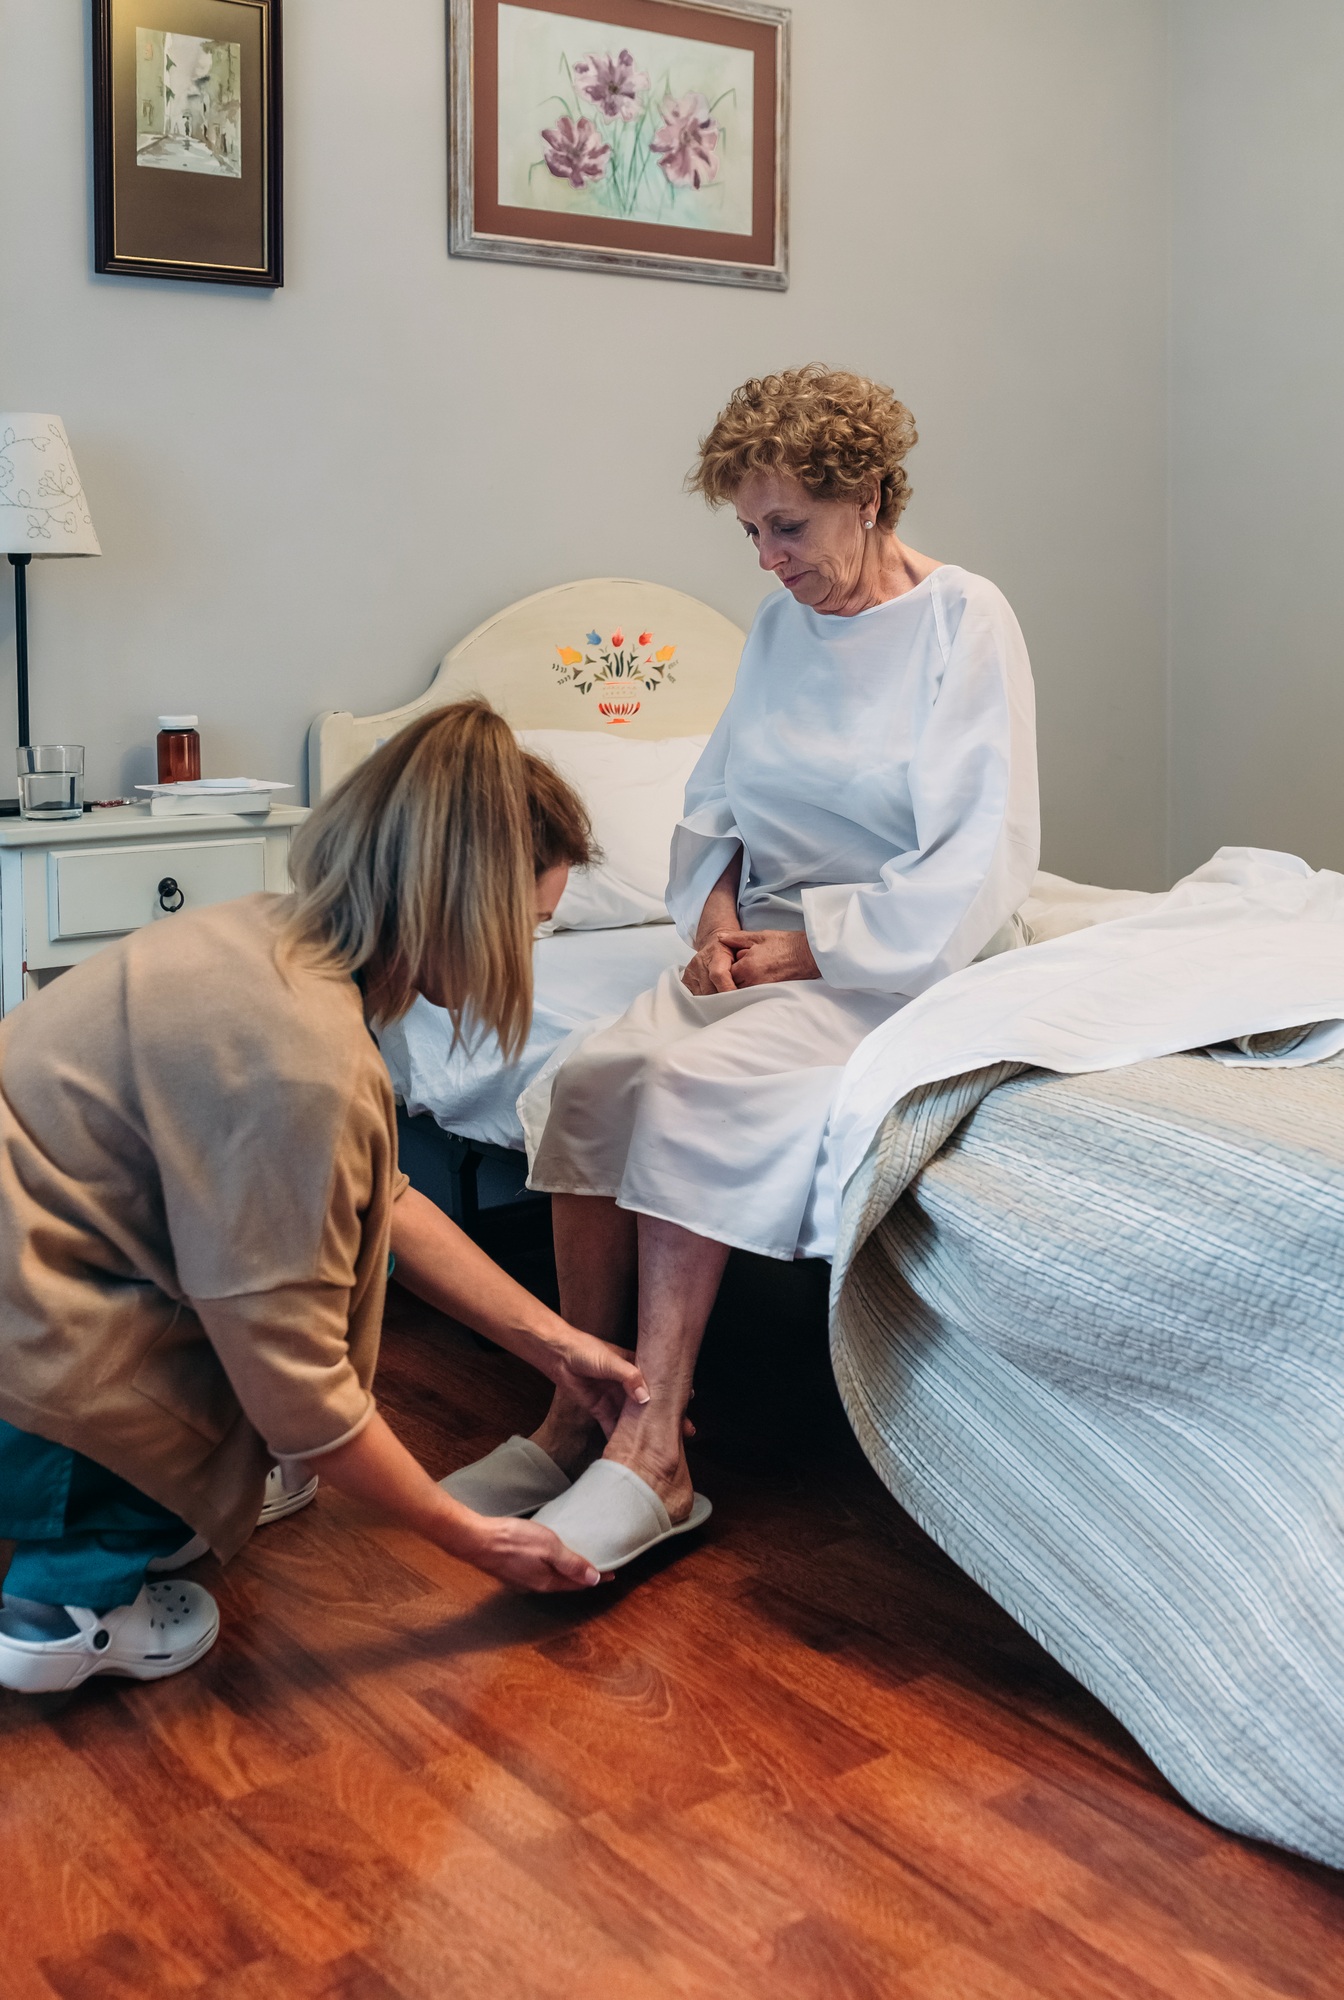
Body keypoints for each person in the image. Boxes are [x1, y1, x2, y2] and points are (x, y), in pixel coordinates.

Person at [447, 365, 1041, 1572]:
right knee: (585, 1080)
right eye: (750, 532)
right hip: (759, 943)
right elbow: (719, 796)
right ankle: (581, 1408)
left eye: (789, 527)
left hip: (892, 959)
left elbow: (980, 851)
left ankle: (656, 1449)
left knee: (691, 1088)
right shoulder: (780, 625)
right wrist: (714, 915)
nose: (768, 559)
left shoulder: (963, 619)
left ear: (867, 495)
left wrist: (810, 947)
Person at [0, 703, 649, 1695]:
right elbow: (299, 1390)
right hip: (27, 1337)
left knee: (299, 1263)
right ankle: (63, 1609)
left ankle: (134, 1507)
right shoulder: (306, 1063)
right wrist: (471, 1538)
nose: (526, 951)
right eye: (530, 923)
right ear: (465, 901)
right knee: (234, 1348)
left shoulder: (263, 935)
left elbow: (382, 1196)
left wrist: (560, 1348)